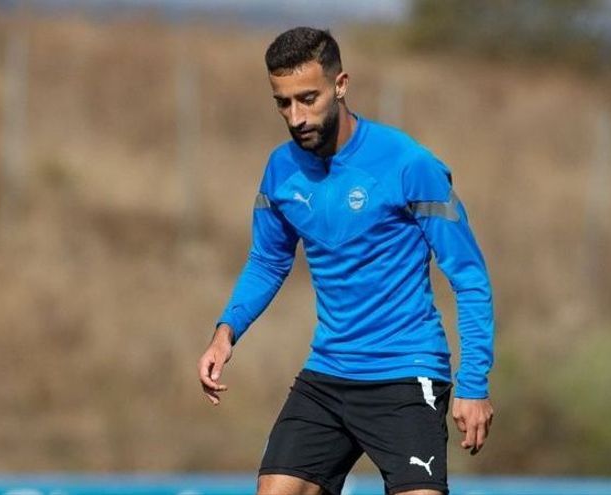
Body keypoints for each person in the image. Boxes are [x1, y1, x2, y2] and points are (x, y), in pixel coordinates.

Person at [197, 27, 494, 495]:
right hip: (329, 372)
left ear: (341, 85)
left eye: (308, 98)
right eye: (283, 102)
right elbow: (268, 261)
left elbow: (469, 276)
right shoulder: (281, 171)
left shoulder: (408, 164)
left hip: (406, 372)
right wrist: (225, 332)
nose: (296, 117)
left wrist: (473, 383)